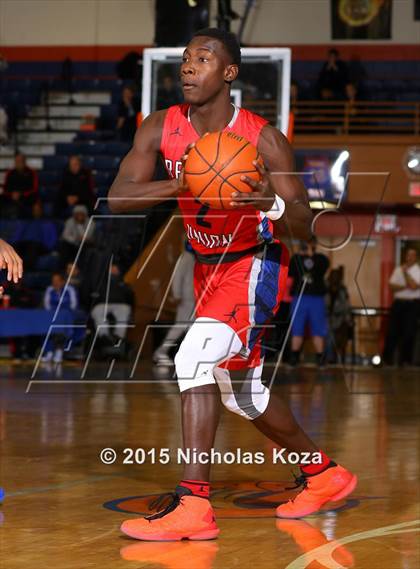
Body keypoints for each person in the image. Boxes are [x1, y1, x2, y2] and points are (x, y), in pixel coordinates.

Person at [109, 28, 357, 541]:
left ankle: (194, 506)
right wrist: (181, 183)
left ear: (228, 72)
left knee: (191, 360)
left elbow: (303, 227)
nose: (188, 66)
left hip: (254, 263)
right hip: (205, 267)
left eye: (202, 58)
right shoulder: (160, 128)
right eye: (184, 59)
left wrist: (269, 199)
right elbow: (118, 198)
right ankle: (324, 474)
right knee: (243, 396)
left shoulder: (263, 138)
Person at [288, 238, 330, 367]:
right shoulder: (296, 259)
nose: (307, 247)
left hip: (316, 298)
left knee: (318, 329)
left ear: (315, 245)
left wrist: (311, 255)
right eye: (305, 245)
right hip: (299, 298)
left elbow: (322, 270)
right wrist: (301, 255)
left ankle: (320, 358)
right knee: (297, 328)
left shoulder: (321, 259)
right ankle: (294, 357)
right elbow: (292, 272)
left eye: (310, 245)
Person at [153, 241, 196, 365]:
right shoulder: (186, 257)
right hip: (186, 299)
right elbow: (177, 277)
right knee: (180, 326)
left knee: (190, 328)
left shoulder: (193, 258)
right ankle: (160, 352)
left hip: (193, 298)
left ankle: (189, 356)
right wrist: (177, 294)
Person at [383, 248, 420, 366]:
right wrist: (405, 286)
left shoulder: (418, 271)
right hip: (398, 303)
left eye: (412, 255)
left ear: (416, 257)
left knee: (409, 333)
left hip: (412, 305)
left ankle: (405, 361)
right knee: (392, 332)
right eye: (408, 255)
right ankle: (387, 360)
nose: (409, 257)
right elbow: (392, 286)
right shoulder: (398, 269)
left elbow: (414, 286)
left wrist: (405, 274)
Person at [90, 263, 134, 344]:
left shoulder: (124, 283)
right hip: (103, 303)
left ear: (119, 271)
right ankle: (104, 336)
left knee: (124, 312)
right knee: (97, 311)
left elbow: (130, 297)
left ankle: (119, 337)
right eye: (111, 269)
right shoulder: (101, 282)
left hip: (120, 304)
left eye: (115, 269)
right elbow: (93, 295)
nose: (113, 271)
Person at [42, 272, 78, 363]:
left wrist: (64, 313)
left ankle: (59, 351)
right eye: (53, 281)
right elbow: (47, 305)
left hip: (67, 315)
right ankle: (49, 351)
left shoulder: (69, 289)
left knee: (64, 327)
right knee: (47, 326)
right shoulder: (49, 289)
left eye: (57, 281)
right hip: (53, 315)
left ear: (63, 281)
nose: (55, 283)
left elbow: (73, 304)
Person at [325, 267, 353, 364]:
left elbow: (346, 306)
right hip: (328, 319)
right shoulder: (325, 288)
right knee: (329, 335)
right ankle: (330, 359)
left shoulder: (342, 290)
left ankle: (337, 359)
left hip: (340, 319)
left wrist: (348, 320)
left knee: (341, 338)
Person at [2, 153, 39, 219]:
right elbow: (5, 189)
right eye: (17, 161)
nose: (19, 163)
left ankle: (36, 224)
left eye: (21, 161)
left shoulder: (32, 173)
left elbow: (34, 189)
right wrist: (12, 194)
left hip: (26, 196)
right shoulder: (10, 173)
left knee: (36, 203)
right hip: (11, 196)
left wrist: (21, 194)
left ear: (24, 161)